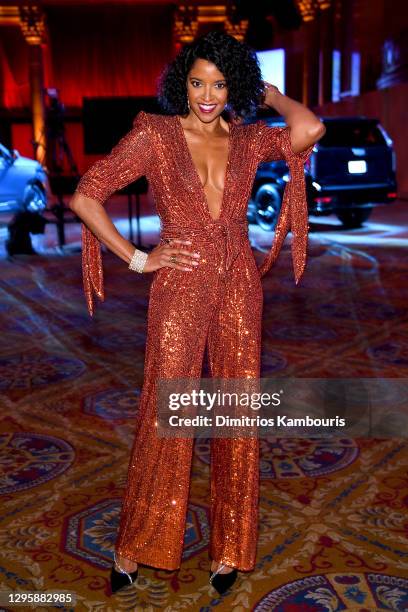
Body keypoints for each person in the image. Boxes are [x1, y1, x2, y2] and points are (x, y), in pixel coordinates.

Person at [69, 31, 325, 596]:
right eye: (196, 82)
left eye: (219, 83)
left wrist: (275, 95)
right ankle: (134, 546)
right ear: (181, 84)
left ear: (235, 85)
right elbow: (86, 195)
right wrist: (139, 259)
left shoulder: (251, 138)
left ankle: (230, 551)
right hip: (179, 285)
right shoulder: (156, 136)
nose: (207, 95)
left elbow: (309, 129)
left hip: (239, 284)